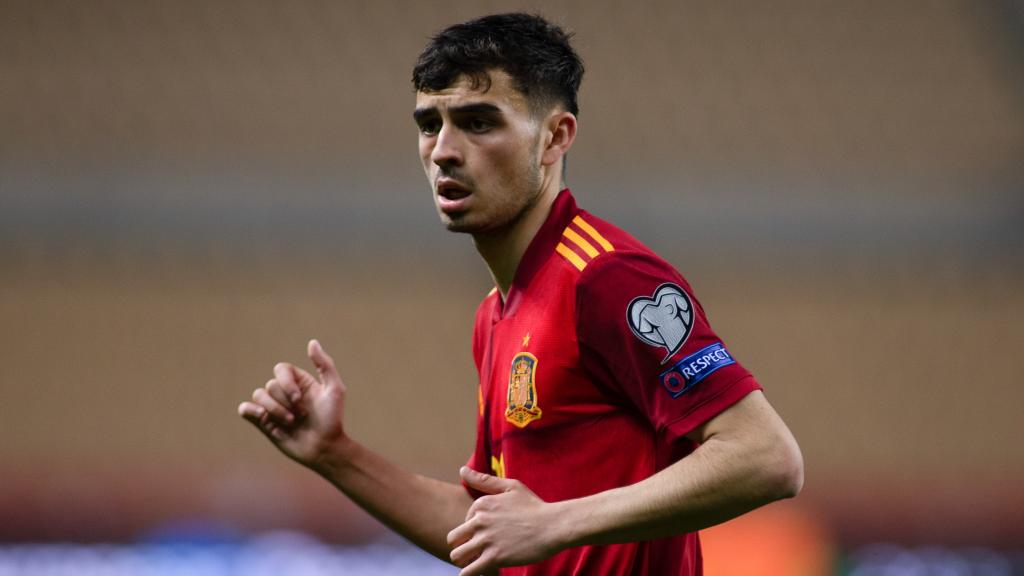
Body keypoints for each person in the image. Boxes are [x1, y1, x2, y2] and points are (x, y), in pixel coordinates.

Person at [238, 12, 803, 576]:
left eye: (479, 122)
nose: (443, 151)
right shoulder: (495, 313)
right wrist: (335, 453)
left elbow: (766, 457)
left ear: (554, 137)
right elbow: (487, 526)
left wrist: (556, 524)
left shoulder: (608, 278)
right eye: (430, 124)